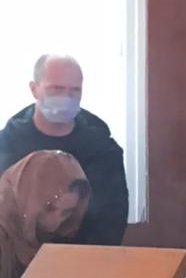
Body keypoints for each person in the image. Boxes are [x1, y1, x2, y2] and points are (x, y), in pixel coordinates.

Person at [0, 54, 129, 246]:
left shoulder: (102, 150)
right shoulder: (7, 145)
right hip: (16, 258)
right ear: (34, 89)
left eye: (74, 90)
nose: (66, 97)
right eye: (56, 89)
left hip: (82, 257)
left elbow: (112, 219)